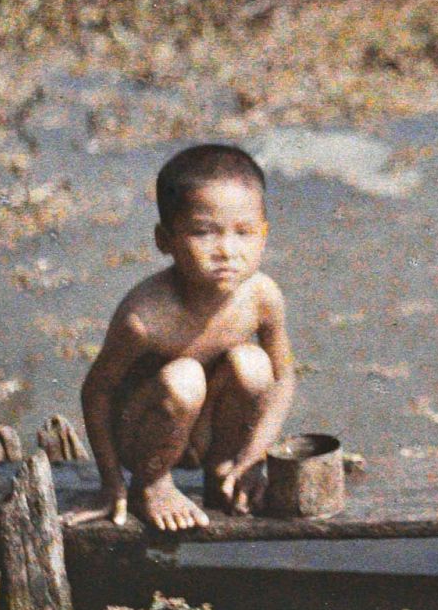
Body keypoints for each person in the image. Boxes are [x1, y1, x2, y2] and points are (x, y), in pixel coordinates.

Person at [67, 144, 296, 531]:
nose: (226, 251)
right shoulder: (144, 318)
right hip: (146, 433)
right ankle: (153, 485)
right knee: (185, 377)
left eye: (244, 233)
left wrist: (254, 458)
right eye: (203, 232)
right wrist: (112, 484)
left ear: (264, 235)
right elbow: (96, 393)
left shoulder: (262, 297)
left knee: (254, 365)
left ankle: (223, 471)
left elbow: (284, 376)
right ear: (165, 240)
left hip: (205, 433)